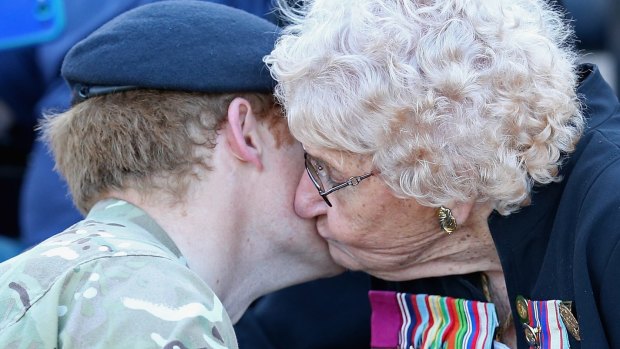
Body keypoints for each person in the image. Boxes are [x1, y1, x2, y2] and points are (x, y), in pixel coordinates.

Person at [265, 0, 620, 348]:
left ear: (448, 187)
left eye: (328, 173)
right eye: (311, 161)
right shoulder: (389, 251)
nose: (303, 201)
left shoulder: (609, 225)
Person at [0, 1, 342, 347]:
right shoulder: (154, 304)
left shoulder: (46, 283)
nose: (339, 173)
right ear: (247, 134)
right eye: (315, 147)